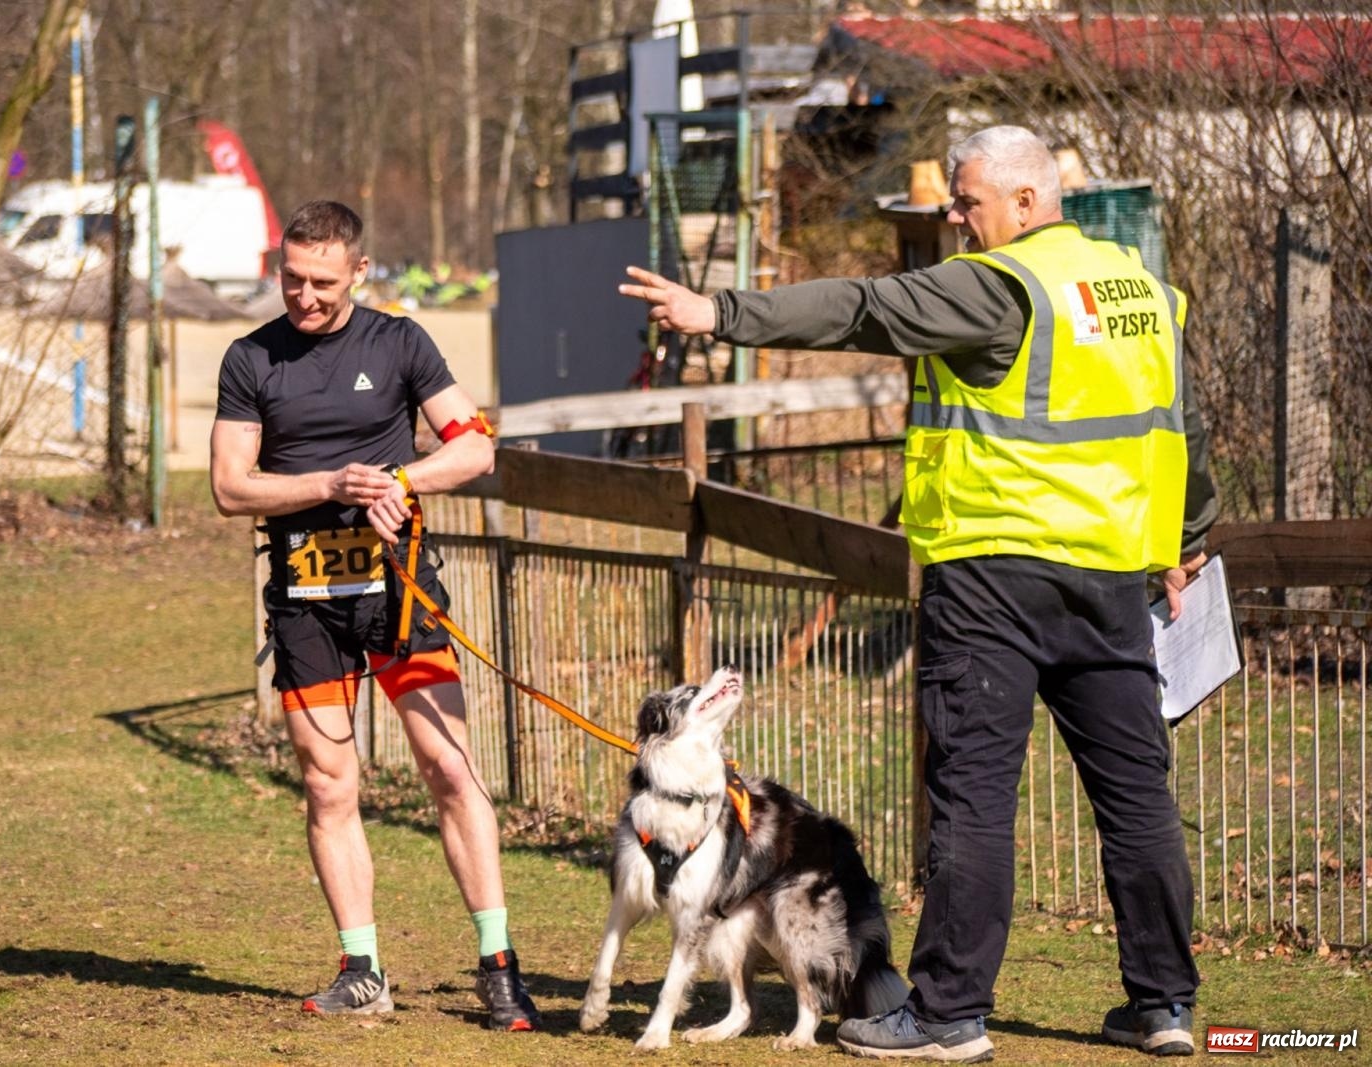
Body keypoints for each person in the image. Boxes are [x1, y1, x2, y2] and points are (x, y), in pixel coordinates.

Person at [620, 126, 1215, 1061]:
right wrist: (1186, 538)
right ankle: (1165, 1004)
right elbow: (1183, 427)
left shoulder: (998, 284)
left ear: (1026, 201)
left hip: (995, 577)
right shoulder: (1139, 288)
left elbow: (864, 307)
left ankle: (946, 1014)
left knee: (972, 798)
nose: (954, 214)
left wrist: (722, 312)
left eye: (968, 198)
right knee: (1137, 798)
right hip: (1108, 579)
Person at [210, 200, 540, 1031]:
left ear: (360, 271)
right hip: (303, 605)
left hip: (400, 595)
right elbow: (229, 486)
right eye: (291, 279)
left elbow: (475, 446)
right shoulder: (251, 358)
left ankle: (498, 963)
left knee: (450, 768)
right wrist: (329, 485)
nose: (304, 297)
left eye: (322, 282)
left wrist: (399, 481)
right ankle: (362, 968)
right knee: (330, 785)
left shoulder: (401, 344)